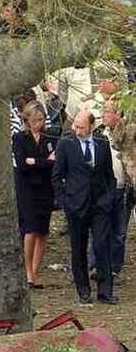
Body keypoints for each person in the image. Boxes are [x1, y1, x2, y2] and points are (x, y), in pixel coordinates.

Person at [52, 110, 116, 304]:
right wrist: (64, 202)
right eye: (76, 126)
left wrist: (109, 197)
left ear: (91, 126)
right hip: (76, 204)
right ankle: (83, 291)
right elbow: (57, 176)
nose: (78, 130)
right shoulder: (65, 144)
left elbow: (109, 173)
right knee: (78, 248)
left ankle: (105, 291)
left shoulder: (102, 142)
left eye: (82, 127)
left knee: (102, 245)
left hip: (99, 204)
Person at [13, 101, 57, 288]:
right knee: (30, 228)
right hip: (27, 188)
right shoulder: (20, 138)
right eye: (34, 120)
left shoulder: (49, 137)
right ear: (27, 120)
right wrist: (42, 162)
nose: (37, 124)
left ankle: (35, 271)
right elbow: (22, 164)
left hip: (45, 188)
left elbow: (54, 162)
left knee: (42, 230)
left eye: (40, 120)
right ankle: (27, 271)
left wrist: (35, 162)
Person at [89, 100, 134, 282]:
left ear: (118, 114)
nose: (104, 115)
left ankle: (114, 268)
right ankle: (94, 265)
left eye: (108, 111)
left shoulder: (128, 135)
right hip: (103, 189)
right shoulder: (98, 134)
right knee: (99, 228)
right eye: (103, 111)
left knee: (119, 232)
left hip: (123, 189)